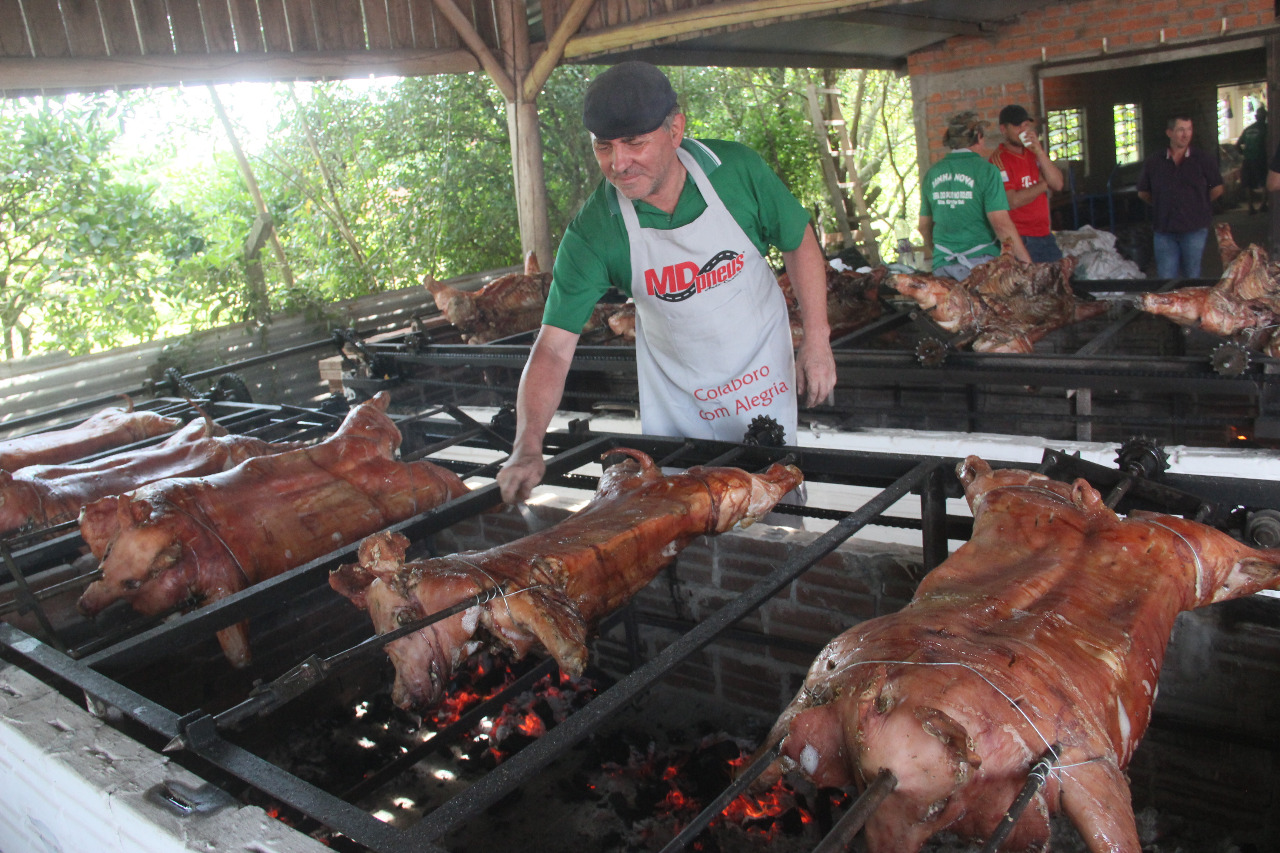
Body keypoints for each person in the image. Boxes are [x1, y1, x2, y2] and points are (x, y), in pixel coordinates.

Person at [497, 62, 836, 505]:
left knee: (776, 512)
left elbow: (798, 241)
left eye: (634, 143)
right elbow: (554, 348)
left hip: (761, 383)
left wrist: (817, 340)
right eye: (604, 146)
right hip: (679, 406)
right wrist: (527, 444)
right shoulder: (595, 230)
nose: (618, 163)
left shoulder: (736, 172)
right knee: (683, 519)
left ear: (675, 130)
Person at [918, 110, 1031, 280]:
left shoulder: (932, 173)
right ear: (978, 137)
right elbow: (1001, 225)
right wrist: (1025, 263)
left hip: (943, 266)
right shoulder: (987, 171)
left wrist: (938, 252)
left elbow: (923, 226)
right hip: (980, 267)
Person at [1136, 115, 1224, 279]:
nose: (1186, 134)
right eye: (1181, 130)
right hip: (1164, 230)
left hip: (1194, 228)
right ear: (1169, 133)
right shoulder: (1154, 162)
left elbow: (1217, 189)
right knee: (1166, 278)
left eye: (1189, 129)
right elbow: (1143, 192)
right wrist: (1163, 203)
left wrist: (1198, 203)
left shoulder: (1203, 160)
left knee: (1192, 276)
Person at [989, 104, 1065, 262]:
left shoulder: (1033, 153)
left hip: (1045, 234)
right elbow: (1013, 201)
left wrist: (1040, 152)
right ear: (1004, 129)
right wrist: (1044, 184)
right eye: (1018, 126)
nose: (1023, 131)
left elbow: (1058, 184)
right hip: (1022, 239)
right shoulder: (999, 160)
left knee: (1060, 276)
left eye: (1026, 125)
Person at [1238, 105, 1268, 214]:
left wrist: (1245, 154)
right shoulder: (1266, 128)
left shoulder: (1248, 129)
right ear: (1265, 117)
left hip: (1248, 159)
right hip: (1261, 159)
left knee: (1248, 183)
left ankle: (1250, 207)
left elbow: (1237, 145)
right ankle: (1263, 204)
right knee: (1265, 181)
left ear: (1255, 117)